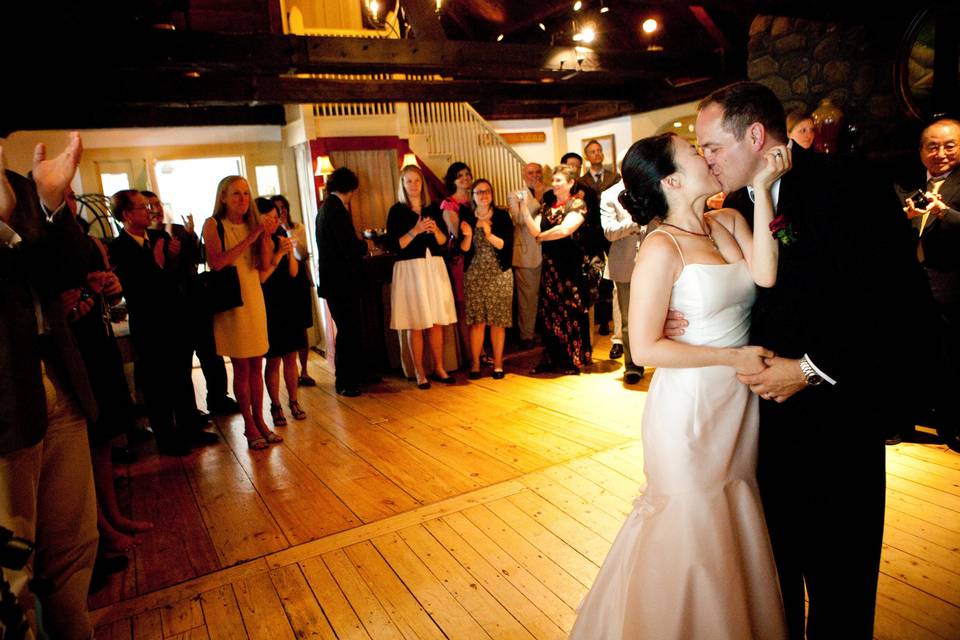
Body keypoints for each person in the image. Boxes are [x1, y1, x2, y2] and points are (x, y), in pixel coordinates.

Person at [692, 81, 928, 638]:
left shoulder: (848, 183)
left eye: (711, 147)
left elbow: (891, 299)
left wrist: (808, 369)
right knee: (771, 578)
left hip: (836, 417)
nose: (705, 159)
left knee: (839, 582)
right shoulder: (735, 205)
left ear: (755, 135)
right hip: (757, 424)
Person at [570, 131, 788, 639]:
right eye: (696, 152)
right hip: (687, 413)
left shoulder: (728, 220)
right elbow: (644, 348)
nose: (707, 155)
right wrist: (731, 356)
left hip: (736, 405)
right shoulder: (661, 247)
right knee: (692, 527)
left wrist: (762, 187)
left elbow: (767, 274)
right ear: (671, 179)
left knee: (729, 522)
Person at [0, 133, 100, 639]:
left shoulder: (23, 187)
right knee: (10, 571)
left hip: (57, 382)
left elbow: (68, 270)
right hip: (5, 402)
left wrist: (52, 204)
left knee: (73, 549)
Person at [110, 190, 218, 456]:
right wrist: (157, 263)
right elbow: (134, 290)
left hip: (175, 319)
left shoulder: (159, 236)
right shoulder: (119, 247)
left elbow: (178, 276)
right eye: (141, 207)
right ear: (126, 214)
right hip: (148, 324)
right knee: (157, 383)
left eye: (148, 206)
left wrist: (173, 257)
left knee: (182, 376)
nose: (148, 211)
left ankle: (189, 428)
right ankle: (167, 438)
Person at [893, 117, 960, 451]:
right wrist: (901, 219)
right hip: (909, 285)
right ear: (921, 151)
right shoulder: (905, 183)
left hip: (949, 285)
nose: (941, 153)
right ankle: (901, 422)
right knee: (905, 354)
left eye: (950, 145)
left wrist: (945, 212)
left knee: (950, 358)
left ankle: (952, 427)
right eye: (932, 146)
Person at [203, 175, 282, 450]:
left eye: (246, 194)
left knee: (257, 364)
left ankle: (261, 420)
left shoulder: (253, 224)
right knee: (241, 366)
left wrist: (267, 237)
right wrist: (251, 237)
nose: (243, 199)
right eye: (236, 194)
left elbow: (261, 268)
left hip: (253, 297)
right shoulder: (213, 225)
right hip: (231, 301)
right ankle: (248, 425)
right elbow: (217, 262)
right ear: (223, 197)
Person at [143, 190, 239, 416]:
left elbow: (198, 259)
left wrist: (192, 235)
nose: (154, 209)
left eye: (156, 203)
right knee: (182, 362)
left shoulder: (177, 229)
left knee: (212, 354)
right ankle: (189, 411)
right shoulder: (144, 238)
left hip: (197, 300)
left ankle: (218, 398)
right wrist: (170, 257)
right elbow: (157, 275)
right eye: (148, 206)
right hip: (173, 308)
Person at [385, 164, 457, 389]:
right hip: (410, 270)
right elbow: (396, 245)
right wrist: (415, 231)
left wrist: (435, 231)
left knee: (436, 320)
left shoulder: (432, 208)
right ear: (403, 185)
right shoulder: (397, 210)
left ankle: (439, 367)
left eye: (417, 181)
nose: (414, 185)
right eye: (409, 181)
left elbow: (443, 242)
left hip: (433, 266)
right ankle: (419, 371)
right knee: (416, 322)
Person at [519, 165, 591, 375]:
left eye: (560, 180)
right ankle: (551, 358)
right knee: (550, 313)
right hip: (550, 268)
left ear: (570, 183)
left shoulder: (577, 204)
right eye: (555, 180)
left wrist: (541, 237)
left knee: (570, 311)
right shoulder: (548, 205)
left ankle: (573, 359)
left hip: (569, 267)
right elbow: (535, 229)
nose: (555, 183)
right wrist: (524, 209)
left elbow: (565, 229)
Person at [314, 168, 370, 397]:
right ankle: (346, 380)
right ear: (350, 189)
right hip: (341, 281)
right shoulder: (336, 210)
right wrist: (365, 246)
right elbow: (347, 245)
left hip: (334, 280)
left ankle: (352, 375)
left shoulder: (326, 208)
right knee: (348, 330)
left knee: (348, 329)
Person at [258, 197, 308, 425]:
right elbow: (261, 276)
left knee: (291, 356)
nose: (274, 219)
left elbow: (294, 272)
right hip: (269, 302)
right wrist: (278, 256)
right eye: (269, 216)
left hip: (289, 300)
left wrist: (290, 253)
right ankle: (276, 405)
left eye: (276, 215)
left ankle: (294, 401)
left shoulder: (282, 235)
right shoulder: (258, 239)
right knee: (274, 359)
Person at [459, 178, 514, 379]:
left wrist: (488, 233)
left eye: (487, 191)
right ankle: (475, 364)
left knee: (498, 322)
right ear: (473, 196)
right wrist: (468, 235)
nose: (484, 195)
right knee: (477, 322)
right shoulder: (465, 215)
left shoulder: (501, 216)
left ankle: (498, 364)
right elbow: (464, 249)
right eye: (479, 192)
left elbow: (505, 246)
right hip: (474, 274)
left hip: (499, 274)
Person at [599, 180, 646, 384]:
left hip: (655, 260)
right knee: (628, 320)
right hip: (625, 264)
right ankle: (633, 365)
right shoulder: (609, 195)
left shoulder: (650, 186)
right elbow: (609, 231)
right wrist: (635, 224)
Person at [272, 193, 317, 388]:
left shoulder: (298, 228)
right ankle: (288, 371)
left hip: (299, 279)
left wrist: (288, 232)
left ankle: (304, 370)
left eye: (283, 208)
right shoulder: (270, 235)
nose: (281, 212)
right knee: (285, 328)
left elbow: (302, 254)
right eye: (277, 209)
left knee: (302, 326)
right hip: (281, 283)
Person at [506, 163, 545, 350]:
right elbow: (519, 219)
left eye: (538, 172)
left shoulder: (552, 190)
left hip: (550, 250)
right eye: (531, 172)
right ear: (523, 175)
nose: (535, 175)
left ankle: (546, 332)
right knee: (527, 297)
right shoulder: (515, 195)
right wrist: (537, 198)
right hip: (526, 253)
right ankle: (526, 335)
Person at [440, 161, 475, 361]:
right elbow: (456, 235)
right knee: (464, 308)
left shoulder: (474, 200)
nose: (465, 178)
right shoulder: (449, 204)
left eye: (467, 174)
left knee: (476, 307)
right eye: (460, 175)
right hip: (460, 259)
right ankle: (470, 355)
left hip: (477, 258)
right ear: (453, 180)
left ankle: (479, 351)